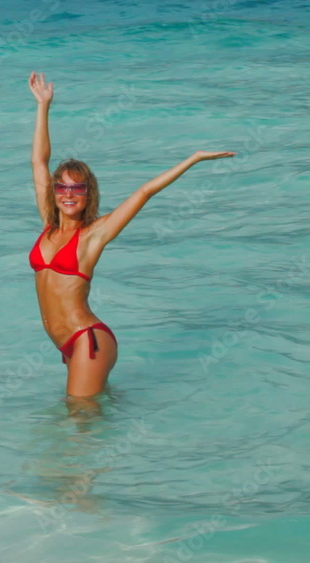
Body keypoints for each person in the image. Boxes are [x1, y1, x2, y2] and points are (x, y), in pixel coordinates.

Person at [27, 71, 235, 398]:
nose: (68, 193)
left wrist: (193, 159)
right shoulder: (47, 225)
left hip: (88, 340)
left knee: (77, 424)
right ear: (54, 192)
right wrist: (43, 106)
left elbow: (144, 192)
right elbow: (39, 160)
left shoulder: (93, 235)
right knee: (94, 420)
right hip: (66, 344)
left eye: (77, 187)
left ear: (88, 194)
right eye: (62, 186)